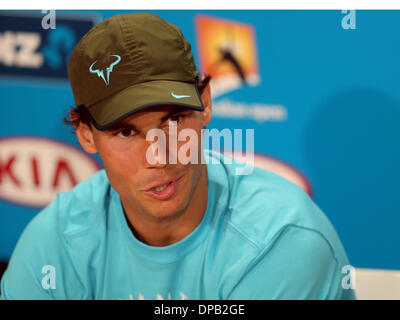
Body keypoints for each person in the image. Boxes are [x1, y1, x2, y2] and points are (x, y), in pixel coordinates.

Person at [0, 12, 356, 300]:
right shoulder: (56, 244)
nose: (159, 156)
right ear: (85, 134)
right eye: (126, 132)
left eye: (173, 120)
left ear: (205, 104)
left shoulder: (280, 242)